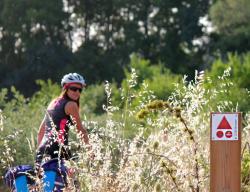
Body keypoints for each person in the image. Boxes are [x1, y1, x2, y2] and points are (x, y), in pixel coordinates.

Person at [35, 73, 92, 168]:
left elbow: (41, 132)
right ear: (66, 88)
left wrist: (40, 152)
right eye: (74, 89)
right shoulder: (71, 105)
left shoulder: (53, 103)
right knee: (72, 180)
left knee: (43, 182)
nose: (77, 92)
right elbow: (80, 130)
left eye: (80, 90)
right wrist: (90, 151)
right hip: (59, 149)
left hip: (42, 151)